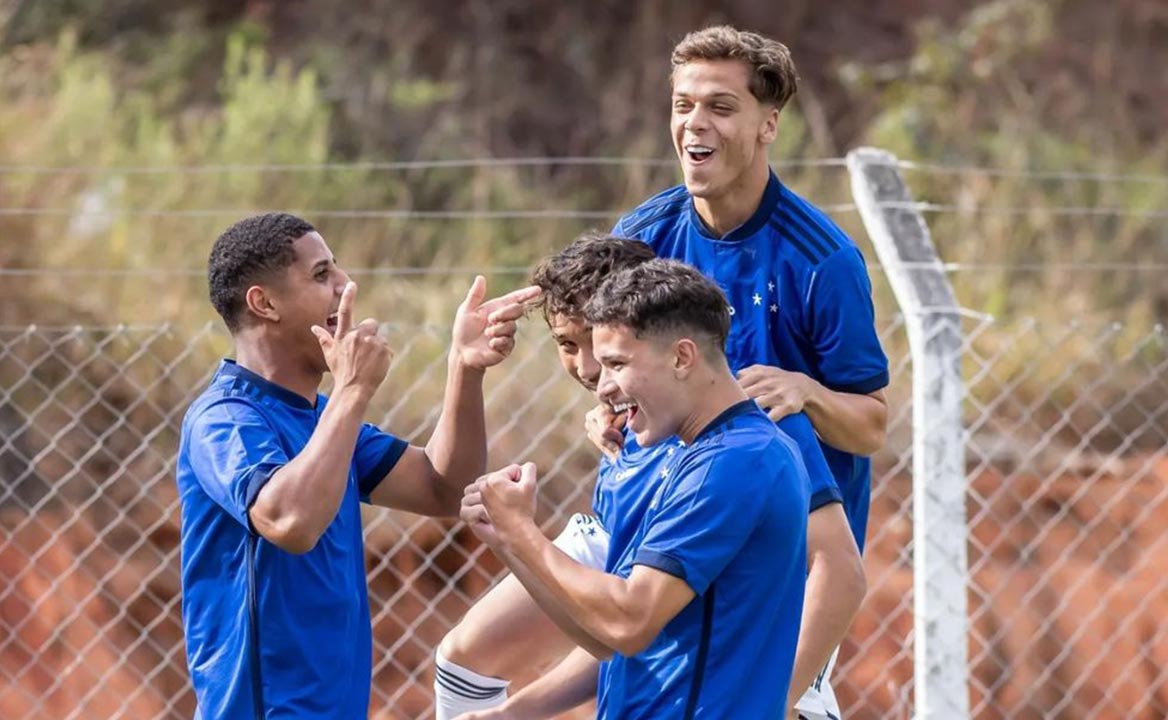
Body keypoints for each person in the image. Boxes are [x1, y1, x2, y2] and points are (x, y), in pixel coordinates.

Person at [436, 235, 864, 720]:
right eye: (569, 345)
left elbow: (840, 570)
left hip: (775, 693)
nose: (592, 371)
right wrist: (509, 540)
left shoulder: (747, 437)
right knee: (461, 661)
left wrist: (783, 696)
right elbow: (617, 639)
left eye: (613, 356)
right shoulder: (631, 444)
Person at [608, 25, 891, 717]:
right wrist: (605, 405)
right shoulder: (641, 237)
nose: (693, 125)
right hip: (671, 541)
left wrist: (810, 393)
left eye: (720, 107)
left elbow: (873, 426)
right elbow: (609, 367)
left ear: (769, 124)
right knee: (468, 658)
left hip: (786, 567)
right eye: (682, 105)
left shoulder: (823, 259)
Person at [176, 212, 540, 719]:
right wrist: (352, 390)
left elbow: (442, 488)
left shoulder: (321, 418)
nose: (346, 286)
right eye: (322, 275)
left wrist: (464, 366)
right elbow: (289, 521)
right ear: (265, 303)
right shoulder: (227, 418)